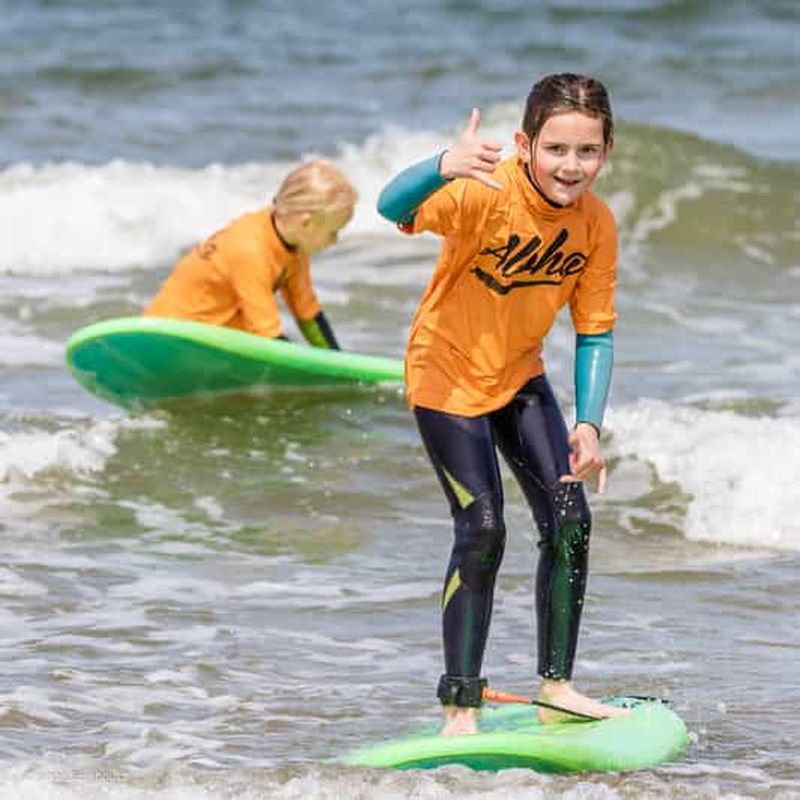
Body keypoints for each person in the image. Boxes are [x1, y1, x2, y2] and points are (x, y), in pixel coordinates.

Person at [377, 73, 628, 736]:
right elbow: (389, 204)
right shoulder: (484, 191)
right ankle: (461, 705)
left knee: (570, 521)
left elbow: (595, 330)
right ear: (524, 145)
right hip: (444, 375)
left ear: (606, 151)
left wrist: (589, 424)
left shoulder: (596, 224)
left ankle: (556, 689)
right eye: (555, 149)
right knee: (483, 528)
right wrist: (442, 166)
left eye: (587, 151)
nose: (570, 166)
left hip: (519, 375)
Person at [144, 159, 357, 348]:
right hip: (169, 338)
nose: (335, 241)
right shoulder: (251, 250)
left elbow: (308, 314)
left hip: (212, 338)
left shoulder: (293, 244)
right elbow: (268, 336)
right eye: (333, 232)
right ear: (306, 222)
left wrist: (340, 365)